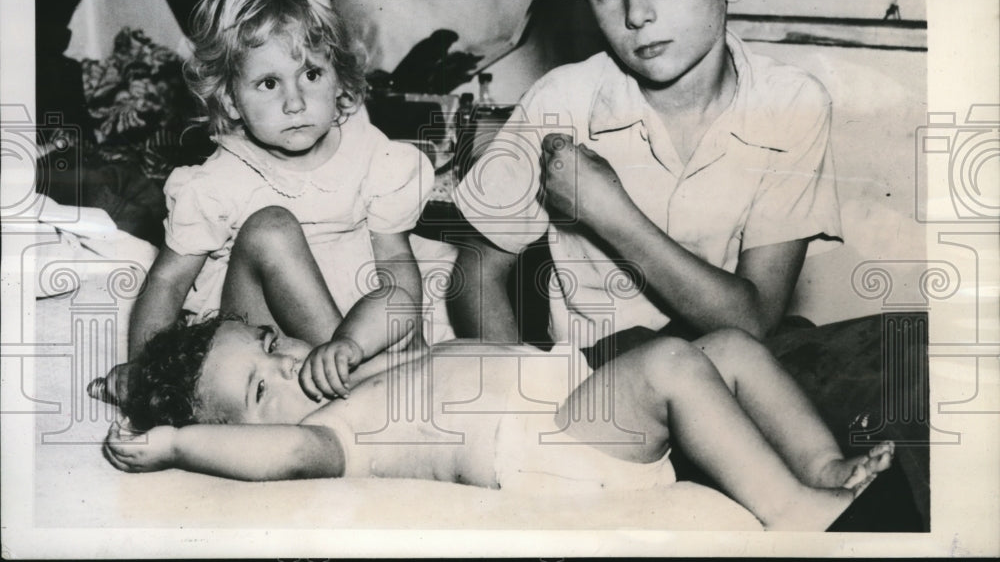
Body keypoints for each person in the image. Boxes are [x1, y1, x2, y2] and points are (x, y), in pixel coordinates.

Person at [448, 0, 842, 355]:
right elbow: (474, 272)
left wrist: (607, 211)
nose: (637, 13)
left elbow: (753, 320)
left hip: (737, 380)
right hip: (608, 391)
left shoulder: (791, 105)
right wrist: (524, 396)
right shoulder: (560, 103)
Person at [103, 313, 894, 532]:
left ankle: (823, 467)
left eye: (271, 346)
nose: (286, 368)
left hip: (569, 396)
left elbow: (395, 309)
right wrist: (175, 440)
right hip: (550, 449)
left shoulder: (363, 371)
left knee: (728, 345)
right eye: (261, 389)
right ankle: (796, 516)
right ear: (244, 429)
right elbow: (279, 456)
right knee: (670, 364)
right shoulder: (334, 436)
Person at [92, 0, 433, 403]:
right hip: (262, 344)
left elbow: (396, 270)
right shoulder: (218, 182)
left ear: (339, 77)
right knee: (271, 229)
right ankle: (367, 391)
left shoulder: (373, 155)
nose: (295, 102)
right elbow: (168, 282)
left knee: (411, 290)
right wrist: (147, 372)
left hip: (354, 343)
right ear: (231, 101)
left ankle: (382, 376)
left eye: (311, 75)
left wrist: (386, 340)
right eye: (268, 83)